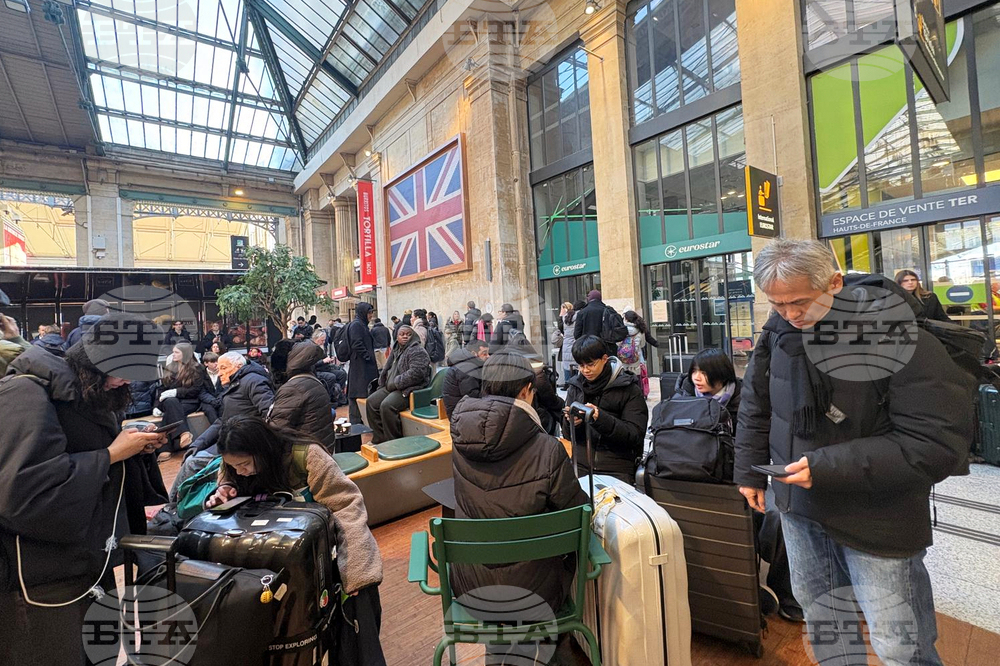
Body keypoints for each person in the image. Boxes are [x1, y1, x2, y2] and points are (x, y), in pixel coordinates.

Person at [735, 239, 973, 665]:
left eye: (800, 302)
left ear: (836, 283)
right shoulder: (778, 331)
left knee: (901, 646)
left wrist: (825, 467)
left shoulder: (897, 334)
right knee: (829, 628)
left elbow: (934, 442)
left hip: (878, 517)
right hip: (800, 507)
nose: (790, 314)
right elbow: (757, 404)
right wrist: (748, 472)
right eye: (777, 304)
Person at [0, 333, 167, 665]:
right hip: (43, 575)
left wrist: (133, 450)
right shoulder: (24, 393)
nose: (125, 382)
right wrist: (111, 454)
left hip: (88, 559)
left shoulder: (86, 394)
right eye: (121, 372)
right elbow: (24, 494)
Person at [204, 417, 386, 666]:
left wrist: (355, 572)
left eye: (244, 464)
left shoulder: (305, 456)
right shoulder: (234, 467)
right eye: (232, 467)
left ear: (262, 450)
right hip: (269, 559)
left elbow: (346, 508)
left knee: (359, 600)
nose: (239, 472)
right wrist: (223, 492)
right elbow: (227, 485)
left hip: (319, 554)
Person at [449, 351, 589, 660]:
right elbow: (579, 515)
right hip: (535, 594)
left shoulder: (460, 441)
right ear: (526, 390)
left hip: (473, 589)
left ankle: (503, 650)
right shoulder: (548, 449)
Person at [673, 348, 802, 622]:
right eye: (694, 371)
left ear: (722, 375)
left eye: (704, 373)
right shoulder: (682, 398)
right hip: (699, 481)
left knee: (778, 517)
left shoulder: (746, 401)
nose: (697, 378)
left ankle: (784, 592)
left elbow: (762, 445)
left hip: (741, 479)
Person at [563, 335, 648, 482]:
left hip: (617, 467)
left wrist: (600, 418)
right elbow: (568, 436)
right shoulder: (576, 387)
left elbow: (635, 435)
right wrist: (572, 423)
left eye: (590, 364)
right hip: (581, 465)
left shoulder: (628, 389)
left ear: (604, 359)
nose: (585, 370)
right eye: (581, 365)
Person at [366, 325, 431, 444]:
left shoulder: (417, 350)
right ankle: (380, 439)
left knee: (387, 405)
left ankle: (394, 442)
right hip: (391, 386)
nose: (405, 336)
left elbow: (416, 374)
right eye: (402, 334)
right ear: (397, 336)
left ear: (413, 336)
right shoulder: (396, 348)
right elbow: (387, 367)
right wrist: (383, 381)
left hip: (409, 389)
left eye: (408, 334)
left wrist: (396, 382)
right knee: (371, 402)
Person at [267, 342, 336, 451]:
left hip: (304, 456)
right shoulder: (308, 379)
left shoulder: (294, 388)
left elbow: (276, 429)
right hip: (319, 450)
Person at [155, 341, 218, 460]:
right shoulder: (170, 367)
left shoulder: (197, 368)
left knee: (170, 409)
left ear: (184, 353)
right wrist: (156, 405)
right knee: (171, 403)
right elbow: (161, 388)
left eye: (176, 352)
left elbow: (196, 389)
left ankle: (165, 449)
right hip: (170, 400)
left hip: (190, 401)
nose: (173, 354)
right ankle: (184, 433)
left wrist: (176, 392)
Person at [346, 302, 379, 424]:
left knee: (362, 392)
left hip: (362, 366)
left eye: (371, 312)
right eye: (369, 313)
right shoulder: (357, 325)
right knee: (358, 394)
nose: (371, 315)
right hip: (360, 366)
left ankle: (362, 422)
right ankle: (356, 424)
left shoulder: (361, 324)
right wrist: (367, 357)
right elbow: (356, 343)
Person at [441, 339, 490, 418]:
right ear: (474, 354)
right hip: (458, 414)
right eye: (484, 354)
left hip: (462, 408)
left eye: (488, 353)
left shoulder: (469, 363)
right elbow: (472, 396)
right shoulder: (466, 368)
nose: (488, 356)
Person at [574, 290, 614, 355]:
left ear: (589, 299)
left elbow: (577, 334)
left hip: (588, 349)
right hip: (606, 348)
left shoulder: (582, 312)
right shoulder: (608, 310)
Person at [560, 301, 584, 385]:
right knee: (578, 365)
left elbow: (561, 329)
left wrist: (561, 315)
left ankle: (568, 383)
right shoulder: (579, 316)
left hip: (566, 344)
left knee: (567, 365)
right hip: (575, 343)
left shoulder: (565, 318)